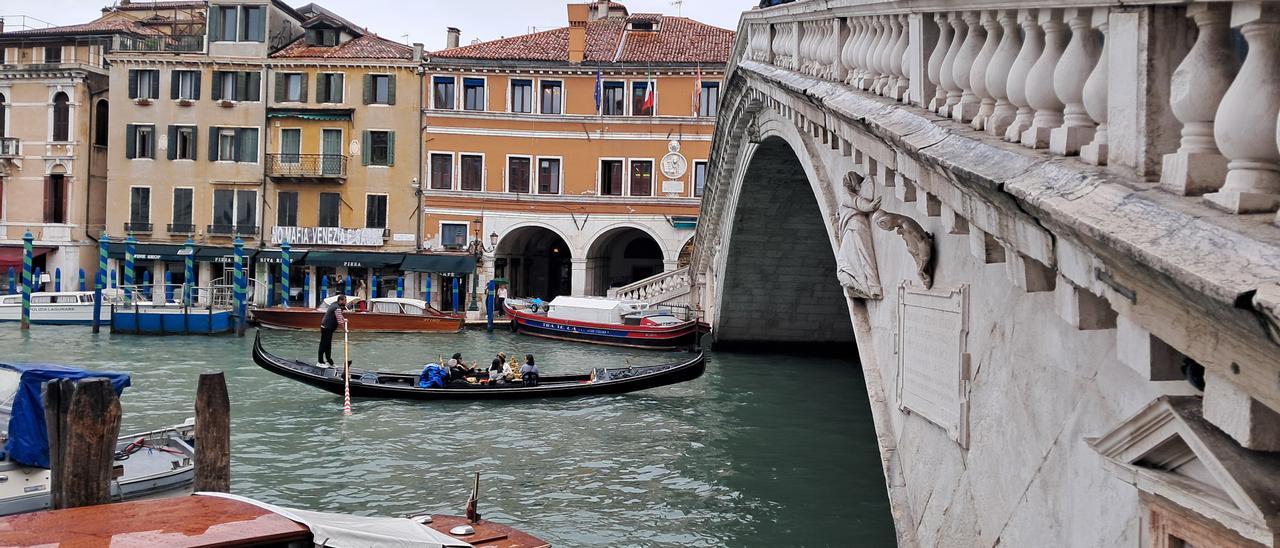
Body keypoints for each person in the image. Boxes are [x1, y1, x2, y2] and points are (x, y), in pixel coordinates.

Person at [317, 294, 349, 368]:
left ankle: (329, 361)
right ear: (340, 301)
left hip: (329, 329)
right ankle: (320, 362)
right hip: (326, 328)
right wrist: (345, 330)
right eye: (344, 301)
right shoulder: (336, 307)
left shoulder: (335, 305)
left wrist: (344, 319)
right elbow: (339, 321)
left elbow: (340, 316)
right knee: (323, 345)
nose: (345, 302)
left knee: (328, 345)